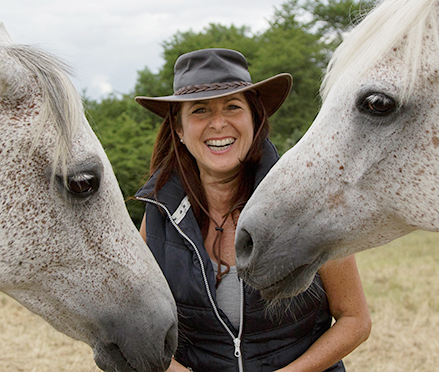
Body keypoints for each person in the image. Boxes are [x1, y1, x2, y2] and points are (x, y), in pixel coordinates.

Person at [134, 48, 372, 372]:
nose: (218, 124)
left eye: (232, 106)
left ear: (254, 118)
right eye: (200, 111)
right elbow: (138, 324)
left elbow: (355, 319)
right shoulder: (158, 215)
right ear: (178, 129)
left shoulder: (306, 202)